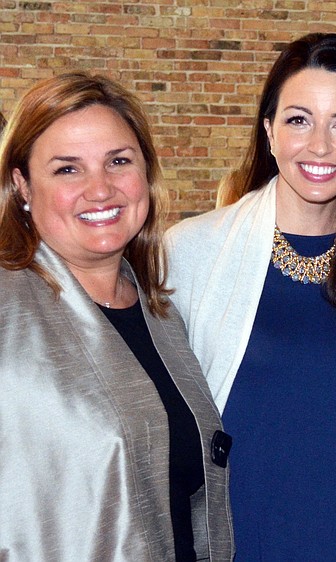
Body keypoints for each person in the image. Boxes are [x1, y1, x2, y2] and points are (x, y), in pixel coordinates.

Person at [165, 33, 336, 559]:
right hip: (247, 538)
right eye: (298, 119)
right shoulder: (194, 254)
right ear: (268, 132)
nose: (319, 145)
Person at [0, 72, 233, 560]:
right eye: (68, 169)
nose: (100, 189)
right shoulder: (7, 312)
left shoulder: (163, 313)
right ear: (22, 184)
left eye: (118, 162)